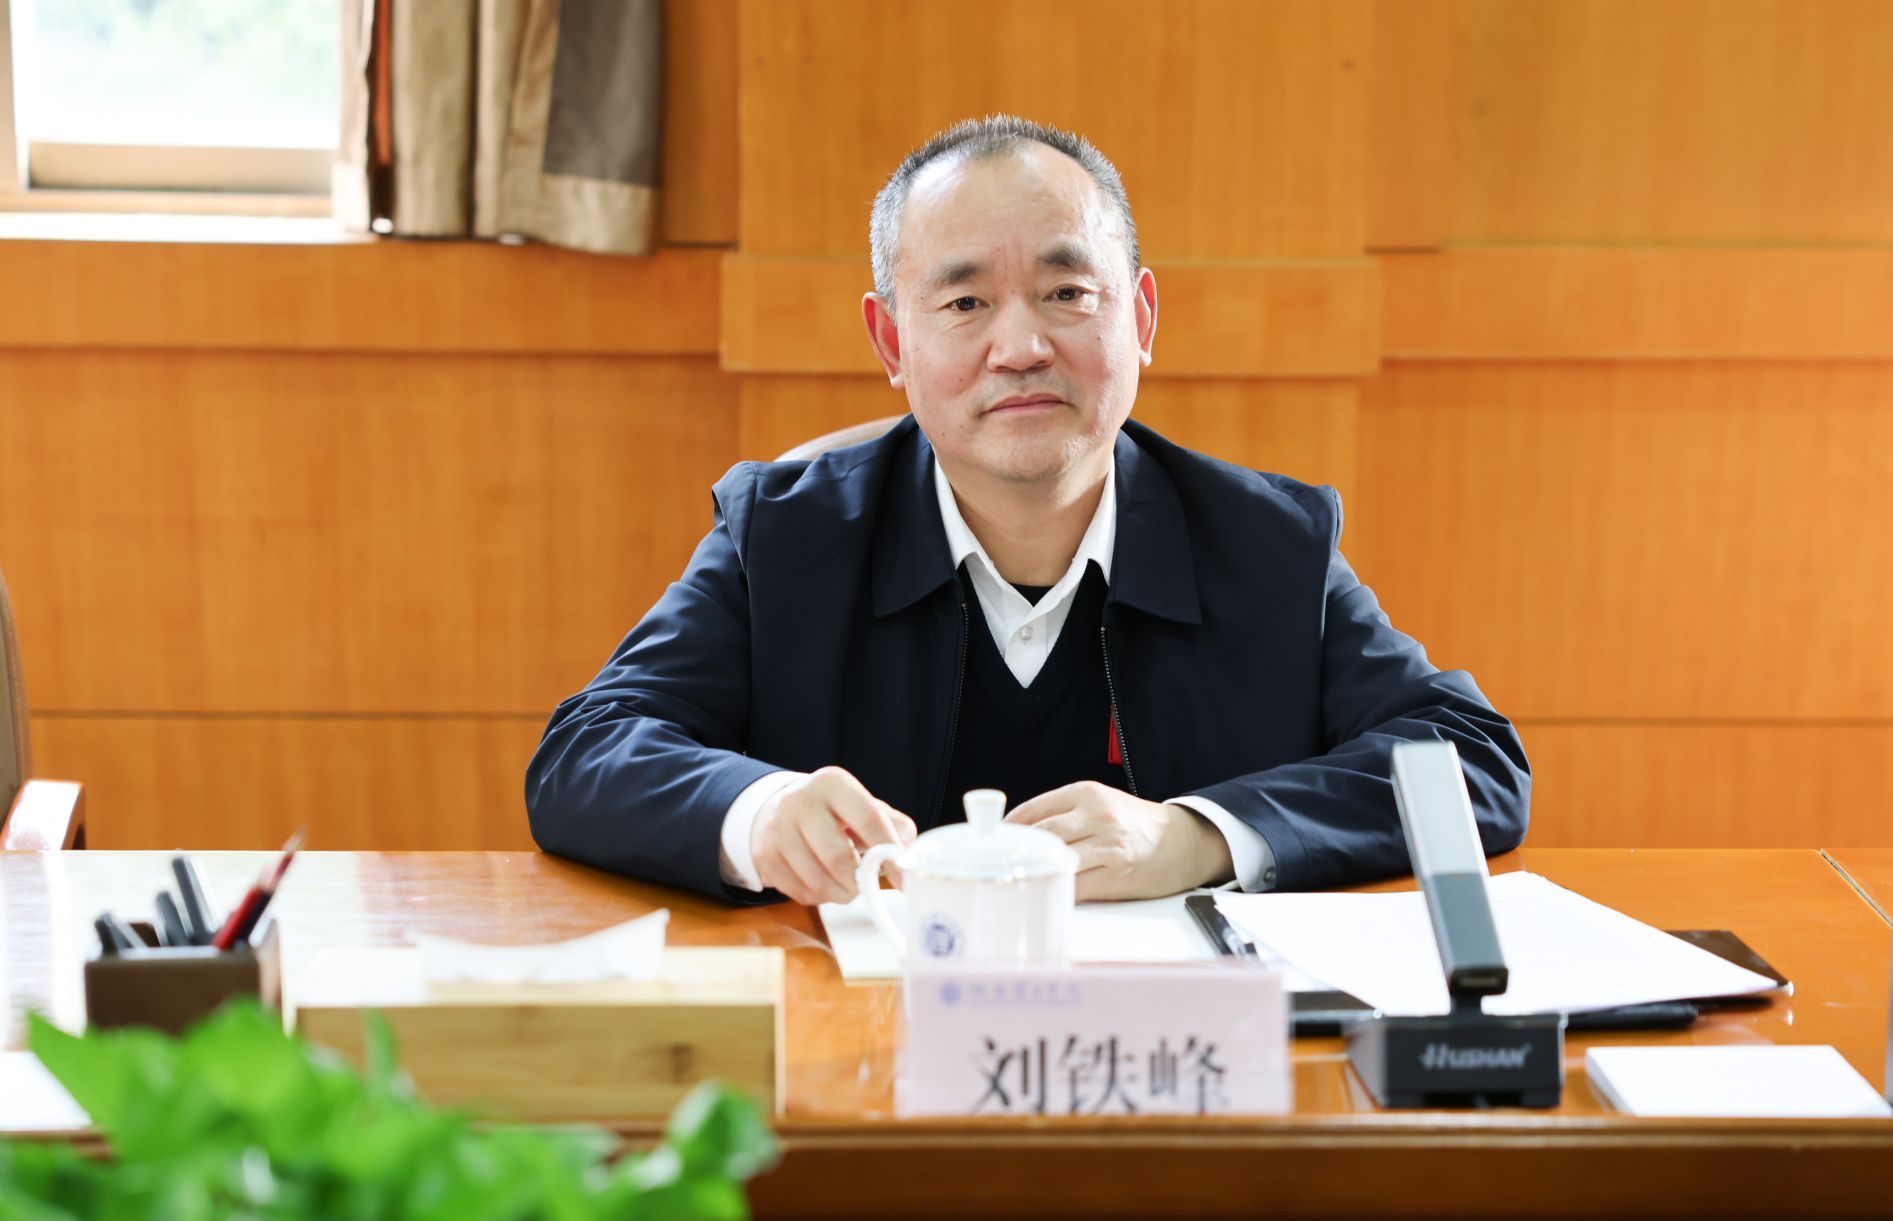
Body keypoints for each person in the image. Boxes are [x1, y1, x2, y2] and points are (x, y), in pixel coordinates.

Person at [527, 115, 1530, 907]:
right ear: (891, 343)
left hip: (1170, 1063)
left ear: (1139, 319)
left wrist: (1194, 835)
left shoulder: (1265, 544)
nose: (1020, 348)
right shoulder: (785, 540)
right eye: (964, 304)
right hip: (865, 1043)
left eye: (1066, 292)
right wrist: (762, 813)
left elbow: (1469, 760)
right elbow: (587, 749)